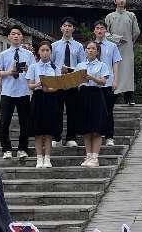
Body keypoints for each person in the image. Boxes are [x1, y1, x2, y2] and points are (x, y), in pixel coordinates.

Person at [0, 24, 32, 161]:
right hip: (7, 92)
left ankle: (23, 148)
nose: (16, 36)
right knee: (4, 122)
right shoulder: (3, 54)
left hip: (24, 92)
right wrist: (9, 72)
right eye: (13, 34)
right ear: (9, 37)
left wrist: (28, 69)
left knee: (25, 123)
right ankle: (6, 149)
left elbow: (34, 72)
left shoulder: (28, 54)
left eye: (18, 34)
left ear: (22, 37)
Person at [74, 41, 112, 168]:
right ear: (85, 50)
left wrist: (92, 78)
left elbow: (103, 82)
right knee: (86, 129)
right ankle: (88, 155)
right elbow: (75, 81)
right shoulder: (80, 65)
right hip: (83, 95)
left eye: (93, 48)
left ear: (97, 51)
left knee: (96, 129)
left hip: (96, 95)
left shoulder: (102, 65)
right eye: (88, 48)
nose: (90, 50)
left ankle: (95, 157)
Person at [26, 40, 62, 168]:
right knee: (38, 131)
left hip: (51, 98)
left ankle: (47, 158)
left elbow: (58, 86)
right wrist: (38, 84)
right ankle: (39, 158)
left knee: (48, 131)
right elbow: (30, 85)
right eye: (42, 50)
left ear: (51, 52)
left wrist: (49, 89)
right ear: (38, 52)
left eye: (47, 50)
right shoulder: (33, 67)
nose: (45, 53)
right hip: (38, 98)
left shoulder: (55, 67)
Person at [51, 17, 86, 147]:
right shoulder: (54, 46)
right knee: (57, 110)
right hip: (58, 81)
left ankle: (71, 137)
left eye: (69, 26)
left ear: (73, 29)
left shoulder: (79, 46)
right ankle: (57, 137)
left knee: (72, 110)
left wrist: (71, 70)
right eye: (65, 25)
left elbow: (82, 65)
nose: (67, 28)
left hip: (72, 80)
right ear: (61, 28)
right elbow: (51, 64)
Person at [105, 0, 140, 106]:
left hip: (127, 48)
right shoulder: (110, 16)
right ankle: (113, 96)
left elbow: (136, 32)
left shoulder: (131, 15)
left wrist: (129, 41)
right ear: (115, 1)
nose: (121, 1)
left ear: (125, 1)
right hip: (113, 48)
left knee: (128, 71)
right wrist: (118, 39)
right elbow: (105, 33)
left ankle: (129, 97)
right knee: (114, 71)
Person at [94, 21, 122, 144]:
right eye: (97, 28)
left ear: (106, 31)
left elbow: (115, 64)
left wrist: (115, 80)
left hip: (108, 83)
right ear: (94, 31)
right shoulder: (90, 46)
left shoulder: (112, 46)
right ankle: (96, 135)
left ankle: (109, 136)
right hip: (94, 83)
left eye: (102, 28)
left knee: (108, 111)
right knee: (95, 111)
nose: (100, 30)